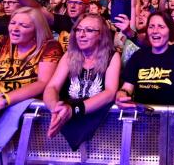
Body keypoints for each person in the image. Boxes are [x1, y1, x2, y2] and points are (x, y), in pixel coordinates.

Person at [43, 13, 121, 150]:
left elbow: (110, 92)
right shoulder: (69, 55)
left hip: (102, 133)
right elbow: (52, 87)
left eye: (89, 30)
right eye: (78, 29)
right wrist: (55, 109)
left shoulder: (112, 57)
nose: (81, 34)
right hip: (66, 127)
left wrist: (73, 110)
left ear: (101, 35)